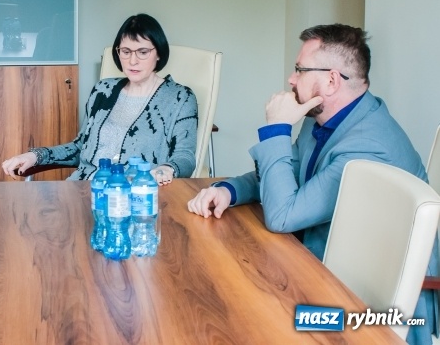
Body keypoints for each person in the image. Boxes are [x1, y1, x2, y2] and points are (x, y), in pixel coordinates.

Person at [186, 23, 437, 345]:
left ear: (331, 80)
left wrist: (277, 128)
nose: (291, 79)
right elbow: (286, 172)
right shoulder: (327, 116)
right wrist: (229, 190)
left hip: (367, 310)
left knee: (235, 316)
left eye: (299, 70)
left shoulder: (365, 148)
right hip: (324, 266)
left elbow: (282, 216)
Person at [2, 13, 198, 184]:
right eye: (126, 52)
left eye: (143, 52)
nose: (133, 61)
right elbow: (80, 147)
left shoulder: (180, 98)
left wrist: (165, 171)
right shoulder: (103, 90)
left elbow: (185, 157)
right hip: (83, 189)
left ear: (159, 53)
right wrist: (36, 156)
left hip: (134, 198)